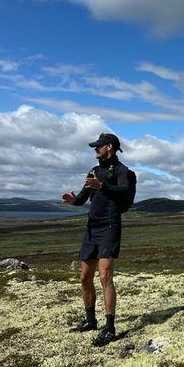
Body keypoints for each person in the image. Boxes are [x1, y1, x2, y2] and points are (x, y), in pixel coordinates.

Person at [62, 133, 132, 347]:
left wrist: (102, 186)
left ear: (109, 147)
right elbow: (84, 196)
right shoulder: (94, 171)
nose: (95, 150)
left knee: (105, 277)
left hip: (109, 227)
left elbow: (125, 190)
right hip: (91, 227)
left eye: (98, 146)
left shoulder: (123, 171)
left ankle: (110, 328)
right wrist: (74, 201)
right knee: (84, 276)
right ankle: (90, 320)